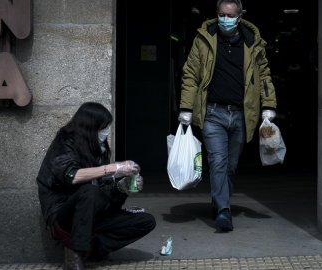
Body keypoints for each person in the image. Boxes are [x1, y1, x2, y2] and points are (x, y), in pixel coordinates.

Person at [178, 0, 277, 231]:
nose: (225, 19)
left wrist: (269, 104)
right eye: (221, 14)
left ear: (239, 17)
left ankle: (219, 203)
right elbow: (190, 75)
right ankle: (224, 211)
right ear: (217, 14)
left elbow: (264, 76)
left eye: (230, 15)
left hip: (242, 115)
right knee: (218, 163)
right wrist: (186, 108)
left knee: (230, 166)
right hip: (213, 113)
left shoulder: (252, 42)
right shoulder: (203, 39)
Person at [36, 102, 156, 269]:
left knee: (146, 221)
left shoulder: (100, 149)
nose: (106, 132)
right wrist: (114, 168)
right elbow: (72, 176)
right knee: (89, 191)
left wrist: (121, 187)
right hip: (64, 214)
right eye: (103, 127)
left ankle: (91, 250)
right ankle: (74, 257)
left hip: (94, 215)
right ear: (89, 127)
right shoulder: (63, 144)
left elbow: (106, 194)